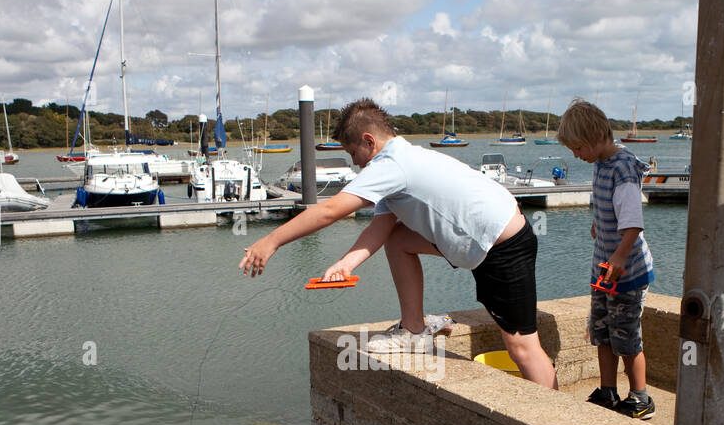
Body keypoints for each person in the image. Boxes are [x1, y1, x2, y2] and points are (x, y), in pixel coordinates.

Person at [238, 98, 557, 388]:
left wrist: (272, 241)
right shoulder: (403, 158)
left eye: (353, 154)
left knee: (522, 347)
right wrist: (346, 263)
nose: (356, 164)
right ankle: (415, 330)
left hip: (502, 248)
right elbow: (381, 228)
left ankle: (556, 423)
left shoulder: (390, 165)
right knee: (399, 239)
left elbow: (331, 209)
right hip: (486, 240)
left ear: (368, 141)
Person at [556, 98, 655, 419]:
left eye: (579, 148)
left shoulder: (623, 170)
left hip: (625, 271)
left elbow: (632, 221)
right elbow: (611, 208)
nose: (576, 155)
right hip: (603, 268)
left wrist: (620, 255)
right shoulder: (601, 163)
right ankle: (609, 391)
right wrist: (599, 223)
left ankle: (641, 397)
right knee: (602, 331)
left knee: (626, 334)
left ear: (598, 137)